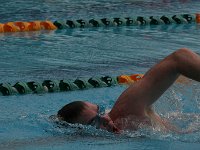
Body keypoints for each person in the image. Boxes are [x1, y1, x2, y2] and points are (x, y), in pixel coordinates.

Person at [57, 48, 200, 133]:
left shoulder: (126, 110)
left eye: (100, 112)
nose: (106, 119)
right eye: (94, 122)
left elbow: (179, 58)